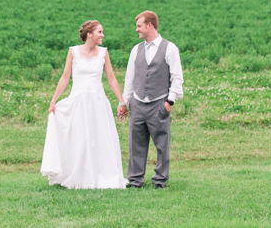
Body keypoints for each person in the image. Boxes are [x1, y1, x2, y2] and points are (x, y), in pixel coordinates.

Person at [40, 20, 129, 189]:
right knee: (79, 138)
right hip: (78, 102)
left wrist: (122, 101)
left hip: (98, 102)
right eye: (100, 32)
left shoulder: (104, 53)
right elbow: (65, 77)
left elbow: (111, 78)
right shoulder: (73, 52)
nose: (103, 35)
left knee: (99, 138)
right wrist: (53, 101)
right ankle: (77, 174)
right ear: (90, 35)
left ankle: (101, 174)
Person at [118, 11, 184, 189]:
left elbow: (177, 78)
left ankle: (160, 180)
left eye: (139, 26)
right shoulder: (135, 50)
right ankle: (135, 179)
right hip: (138, 103)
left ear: (149, 25)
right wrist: (125, 102)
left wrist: (169, 102)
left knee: (162, 144)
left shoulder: (170, 48)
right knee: (136, 143)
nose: (136, 29)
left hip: (159, 103)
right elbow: (129, 79)